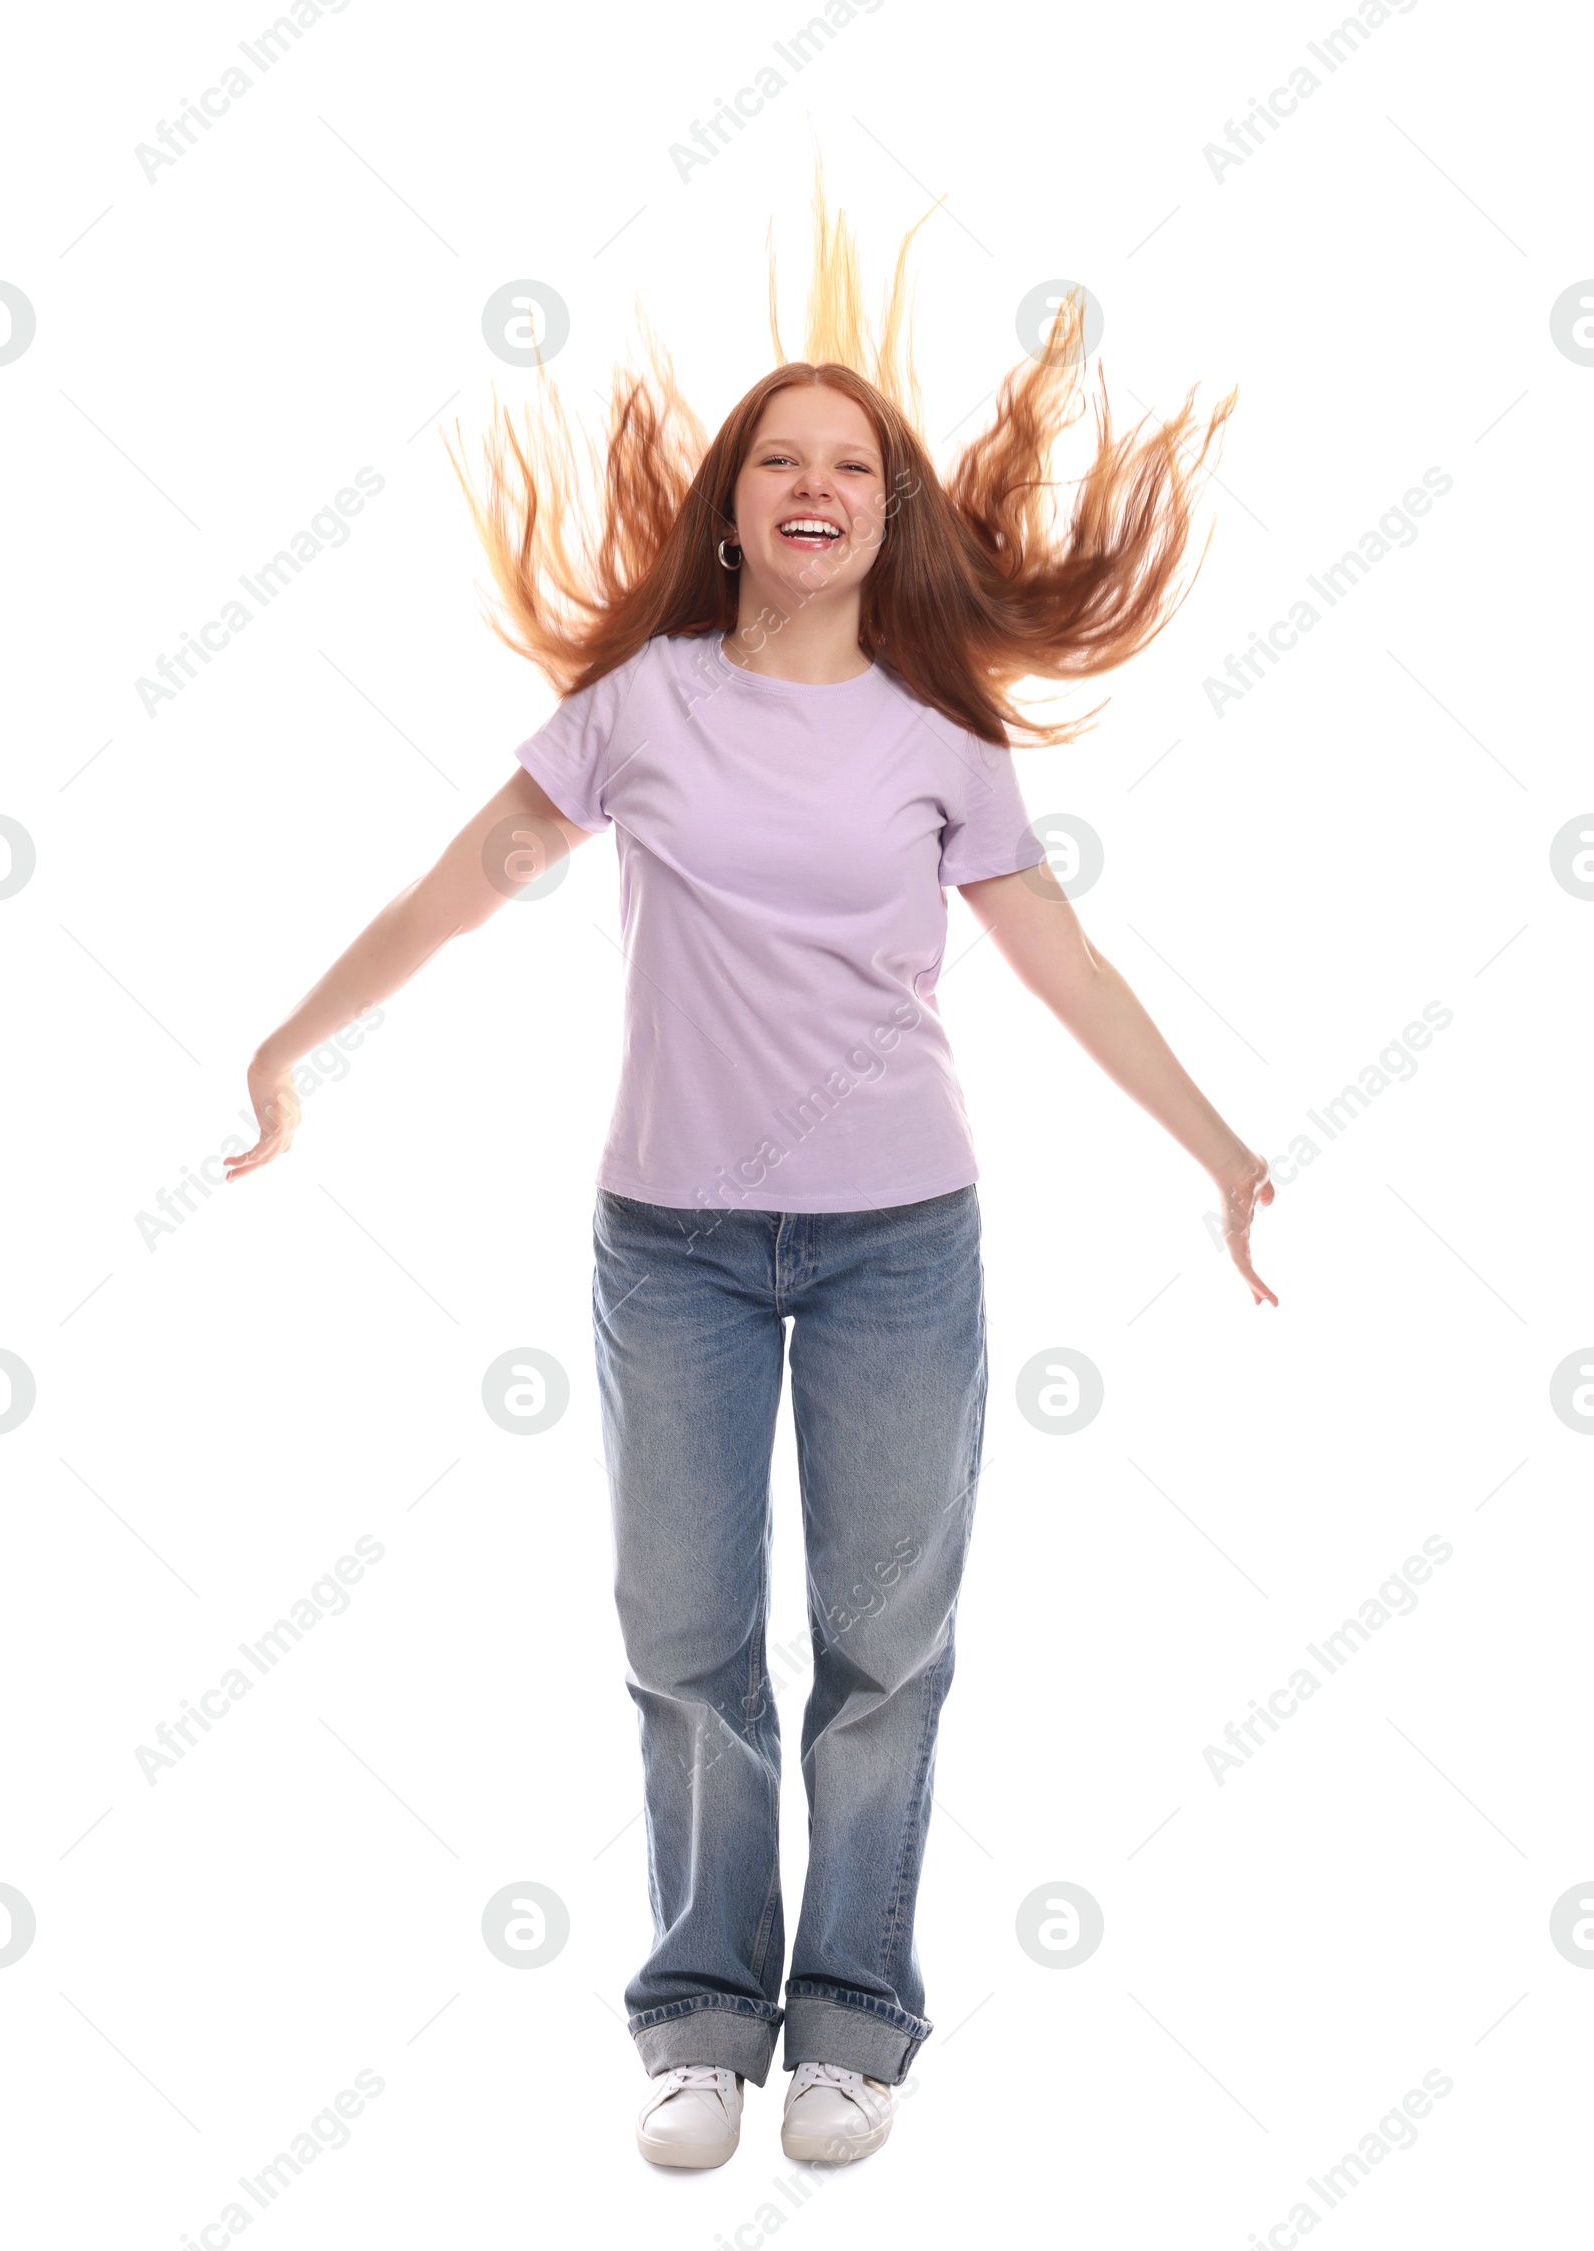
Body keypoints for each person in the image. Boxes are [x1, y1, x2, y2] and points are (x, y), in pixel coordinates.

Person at [226, 172, 1276, 2172]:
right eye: (783, 457)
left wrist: (1220, 1155)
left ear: (887, 513)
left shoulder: (937, 736)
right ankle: (702, 2013)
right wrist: (290, 1047)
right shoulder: (634, 711)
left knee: (884, 1651)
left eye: (852, 462)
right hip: (673, 1250)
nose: (818, 483)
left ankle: (850, 2023)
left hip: (902, 1244)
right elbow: (457, 888)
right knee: (682, 1636)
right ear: (735, 502)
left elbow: (1061, 960)